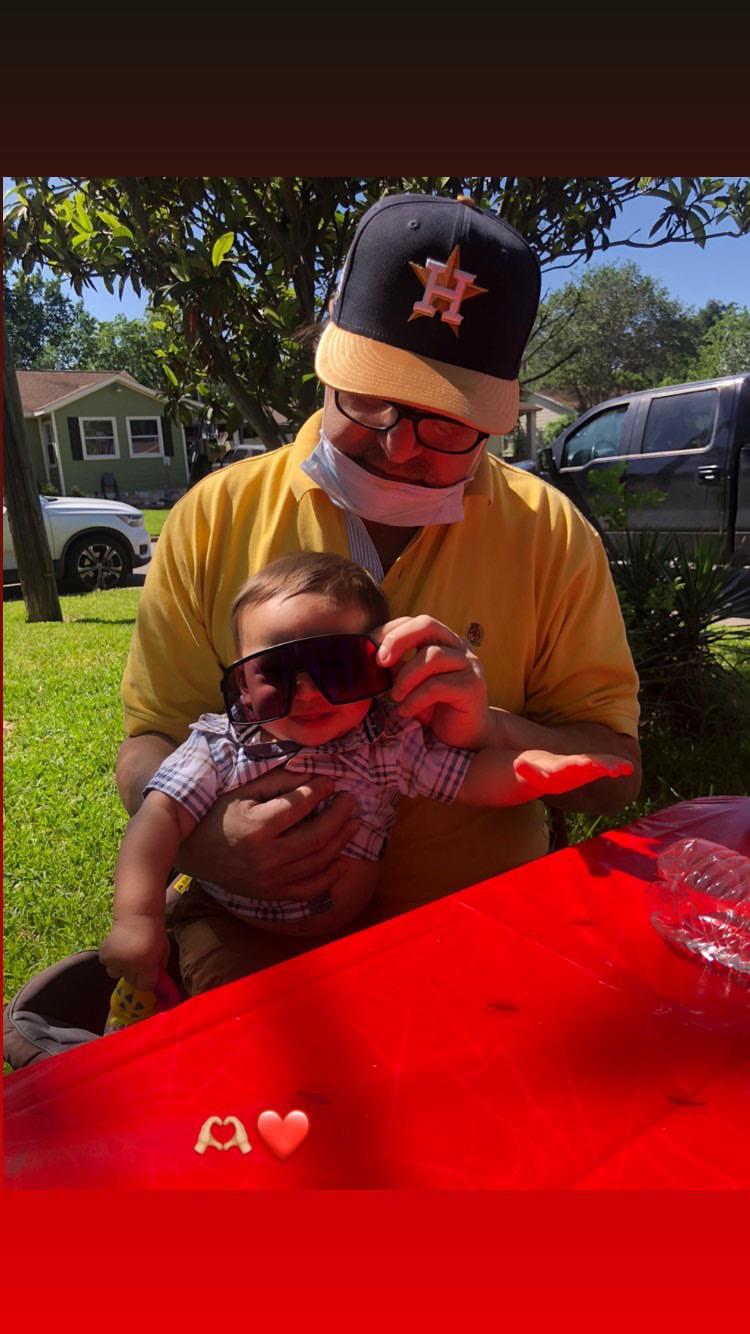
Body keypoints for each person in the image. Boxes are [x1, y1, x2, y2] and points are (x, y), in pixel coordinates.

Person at [117, 190, 641, 982]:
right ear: (328, 352)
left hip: (481, 933)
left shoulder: (550, 534)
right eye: (369, 398)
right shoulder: (213, 515)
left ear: (498, 414)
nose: (398, 448)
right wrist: (205, 840)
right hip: (258, 944)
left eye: (445, 421)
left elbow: (615, 775)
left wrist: (488, 728)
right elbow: (149, 744)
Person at [103, 551, 632, 994]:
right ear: (242, 686)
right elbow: (158, 817)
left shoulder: (384, 740)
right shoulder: (220, 745)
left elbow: (468, 778)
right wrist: (137, 920)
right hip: (232, 928)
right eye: (275, 673)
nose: (308, 692)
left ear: (377, 669)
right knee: (243, 1021)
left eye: (335, 668)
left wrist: (529, 773)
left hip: (357, 931)